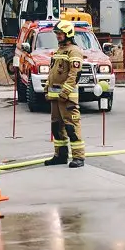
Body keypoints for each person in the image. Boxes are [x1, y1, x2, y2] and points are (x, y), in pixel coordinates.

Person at [44, 20, 86, 168]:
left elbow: (75, 74)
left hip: (67, 98)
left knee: (71, 127)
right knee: (56, 128)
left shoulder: (74, 51)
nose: (58, 36)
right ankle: (60, 156)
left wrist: (65, 92)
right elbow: (52, 72)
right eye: (57, 33)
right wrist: (47, 88)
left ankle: (78, 157)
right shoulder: (59, 51)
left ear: (68, 34)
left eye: (60, 34)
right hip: (55, 97)